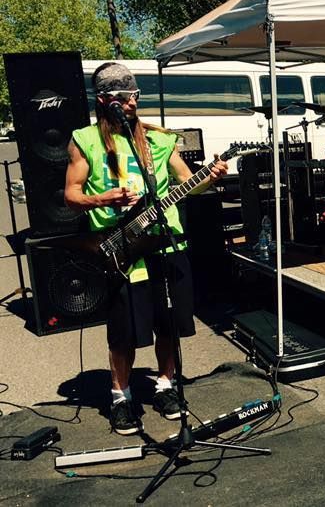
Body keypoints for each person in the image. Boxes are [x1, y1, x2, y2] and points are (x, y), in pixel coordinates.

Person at [64, 62, 228, 435]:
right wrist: (102, 198)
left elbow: (188, 182)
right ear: (105, 101)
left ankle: (166, 386)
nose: (132, 104)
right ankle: (120, 396)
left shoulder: (157, 139)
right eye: (124, 98)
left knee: (168, 322)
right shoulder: (84, 140)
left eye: (135, 96)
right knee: (123, 330)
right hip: (120, 247)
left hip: (165, 245)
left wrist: (210, 177)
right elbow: (71, 194)